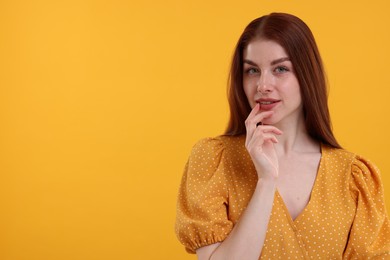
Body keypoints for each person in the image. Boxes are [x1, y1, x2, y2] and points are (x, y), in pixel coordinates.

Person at [175, 12, 390, 259]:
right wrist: (266, 182)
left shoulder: (354, 177)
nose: (263, 85)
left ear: (307, 75)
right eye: (252, 70)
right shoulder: (215, 160)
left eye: (280, 69)